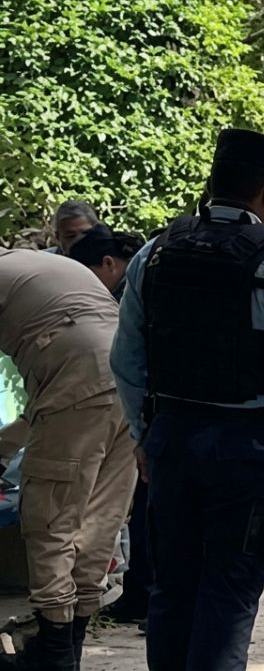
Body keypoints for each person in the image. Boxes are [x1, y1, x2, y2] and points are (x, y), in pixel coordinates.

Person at [110, 128, 264, 671]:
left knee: (172, 589)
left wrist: (144, 437)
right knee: (228, 596)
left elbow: (125, 361)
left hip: (171, 441)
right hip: (246, 448)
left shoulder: (155, 253)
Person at [0, 249, 137, 670]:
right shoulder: (37, 266)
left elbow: (67, 393)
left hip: (80, 376)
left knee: (51, 517)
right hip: (131, 380)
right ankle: (70, 642)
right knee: (99, 518)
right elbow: (55, 402)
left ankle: (54, 651)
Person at [66, 226, 152, 628]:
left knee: (150, 515)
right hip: (151, 415)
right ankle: (141, 598)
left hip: (146, 415)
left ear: (107, 264)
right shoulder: (132, 283)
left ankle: (145, 600)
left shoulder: (126, 295)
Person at [66, 225, 145, 301]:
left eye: (86, 277)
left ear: (108, 263)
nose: (82, 286)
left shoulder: (134, 294)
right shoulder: (140, 277)